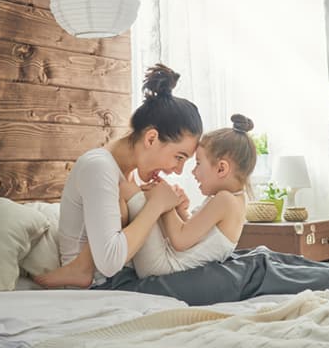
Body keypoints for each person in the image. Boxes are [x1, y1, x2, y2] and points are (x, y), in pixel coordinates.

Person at [35, 114, 257, 286]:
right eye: (180, 158)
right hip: (169, 262)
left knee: (127, 190)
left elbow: (180, 240)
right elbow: (195, 238)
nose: (190, 172)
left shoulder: (225, 201)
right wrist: (180, 210)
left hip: (163, 267)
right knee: (133, 197)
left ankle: (83, 265)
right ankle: (85, 262)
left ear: (221, 168)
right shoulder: (232, 200)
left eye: (197, 163)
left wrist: (165, 205)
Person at [34, 63, 203, 288]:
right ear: (151, 139)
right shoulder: (99, 167)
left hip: (125, 280)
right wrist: (156, 207)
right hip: (100, 285)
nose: (178, 170)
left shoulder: (126, 175)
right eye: (179, 157)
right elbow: (110, 262)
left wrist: (175, 211)